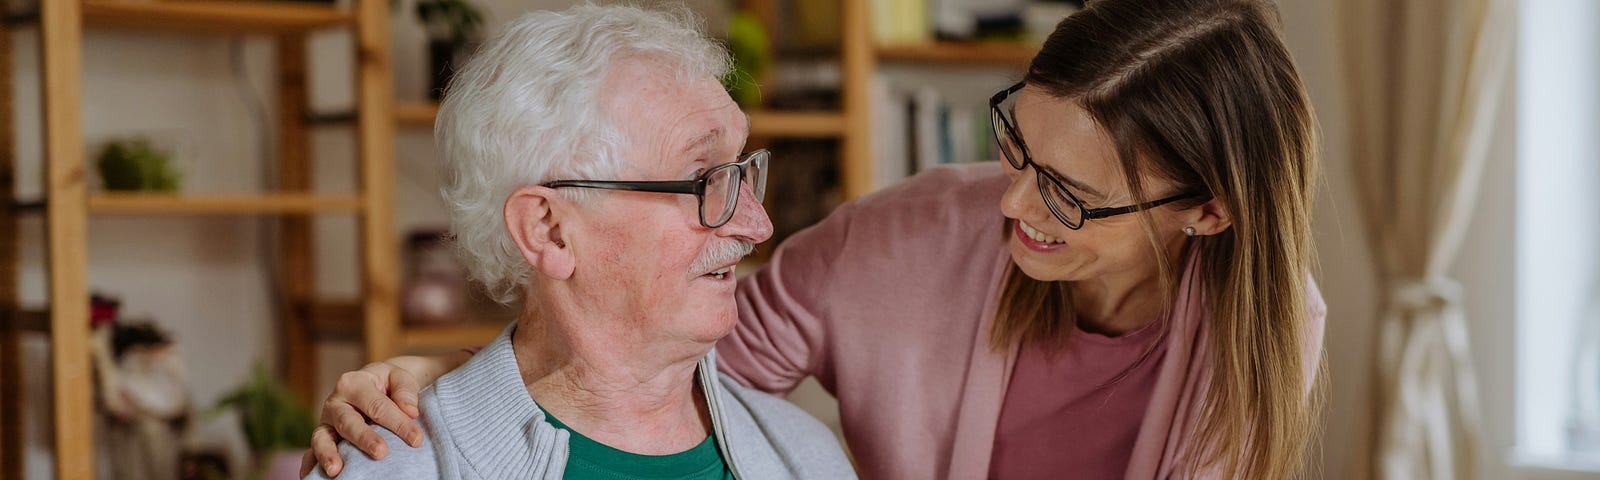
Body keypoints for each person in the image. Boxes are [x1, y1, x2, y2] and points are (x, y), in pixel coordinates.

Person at [307, 0, 1327, 477]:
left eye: (1068, 195)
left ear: (1210, 213)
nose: (1011, 207)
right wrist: (442, 391)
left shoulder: (1263, 328)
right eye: (1016, 147)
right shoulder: (914, 237)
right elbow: (643, 352)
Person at [301, 5, 854, 479]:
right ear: (549, 229)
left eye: (741, 171)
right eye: (705, 179)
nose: (755, 226)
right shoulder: (390, 466)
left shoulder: (805, 457)